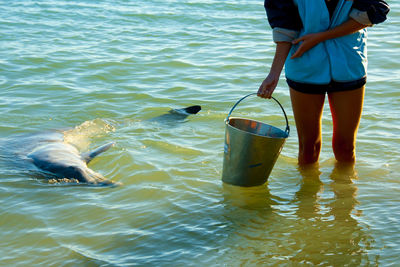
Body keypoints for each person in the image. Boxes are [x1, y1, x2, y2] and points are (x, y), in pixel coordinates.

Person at [257, 0, 390, 165]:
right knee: (308, 149)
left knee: (346, 148)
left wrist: (320, 37)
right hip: (304, 66)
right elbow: (285, 28)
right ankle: (307, 190)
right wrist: (274, 73)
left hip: (349, 63)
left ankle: (346, 189)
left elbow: (374, 12)